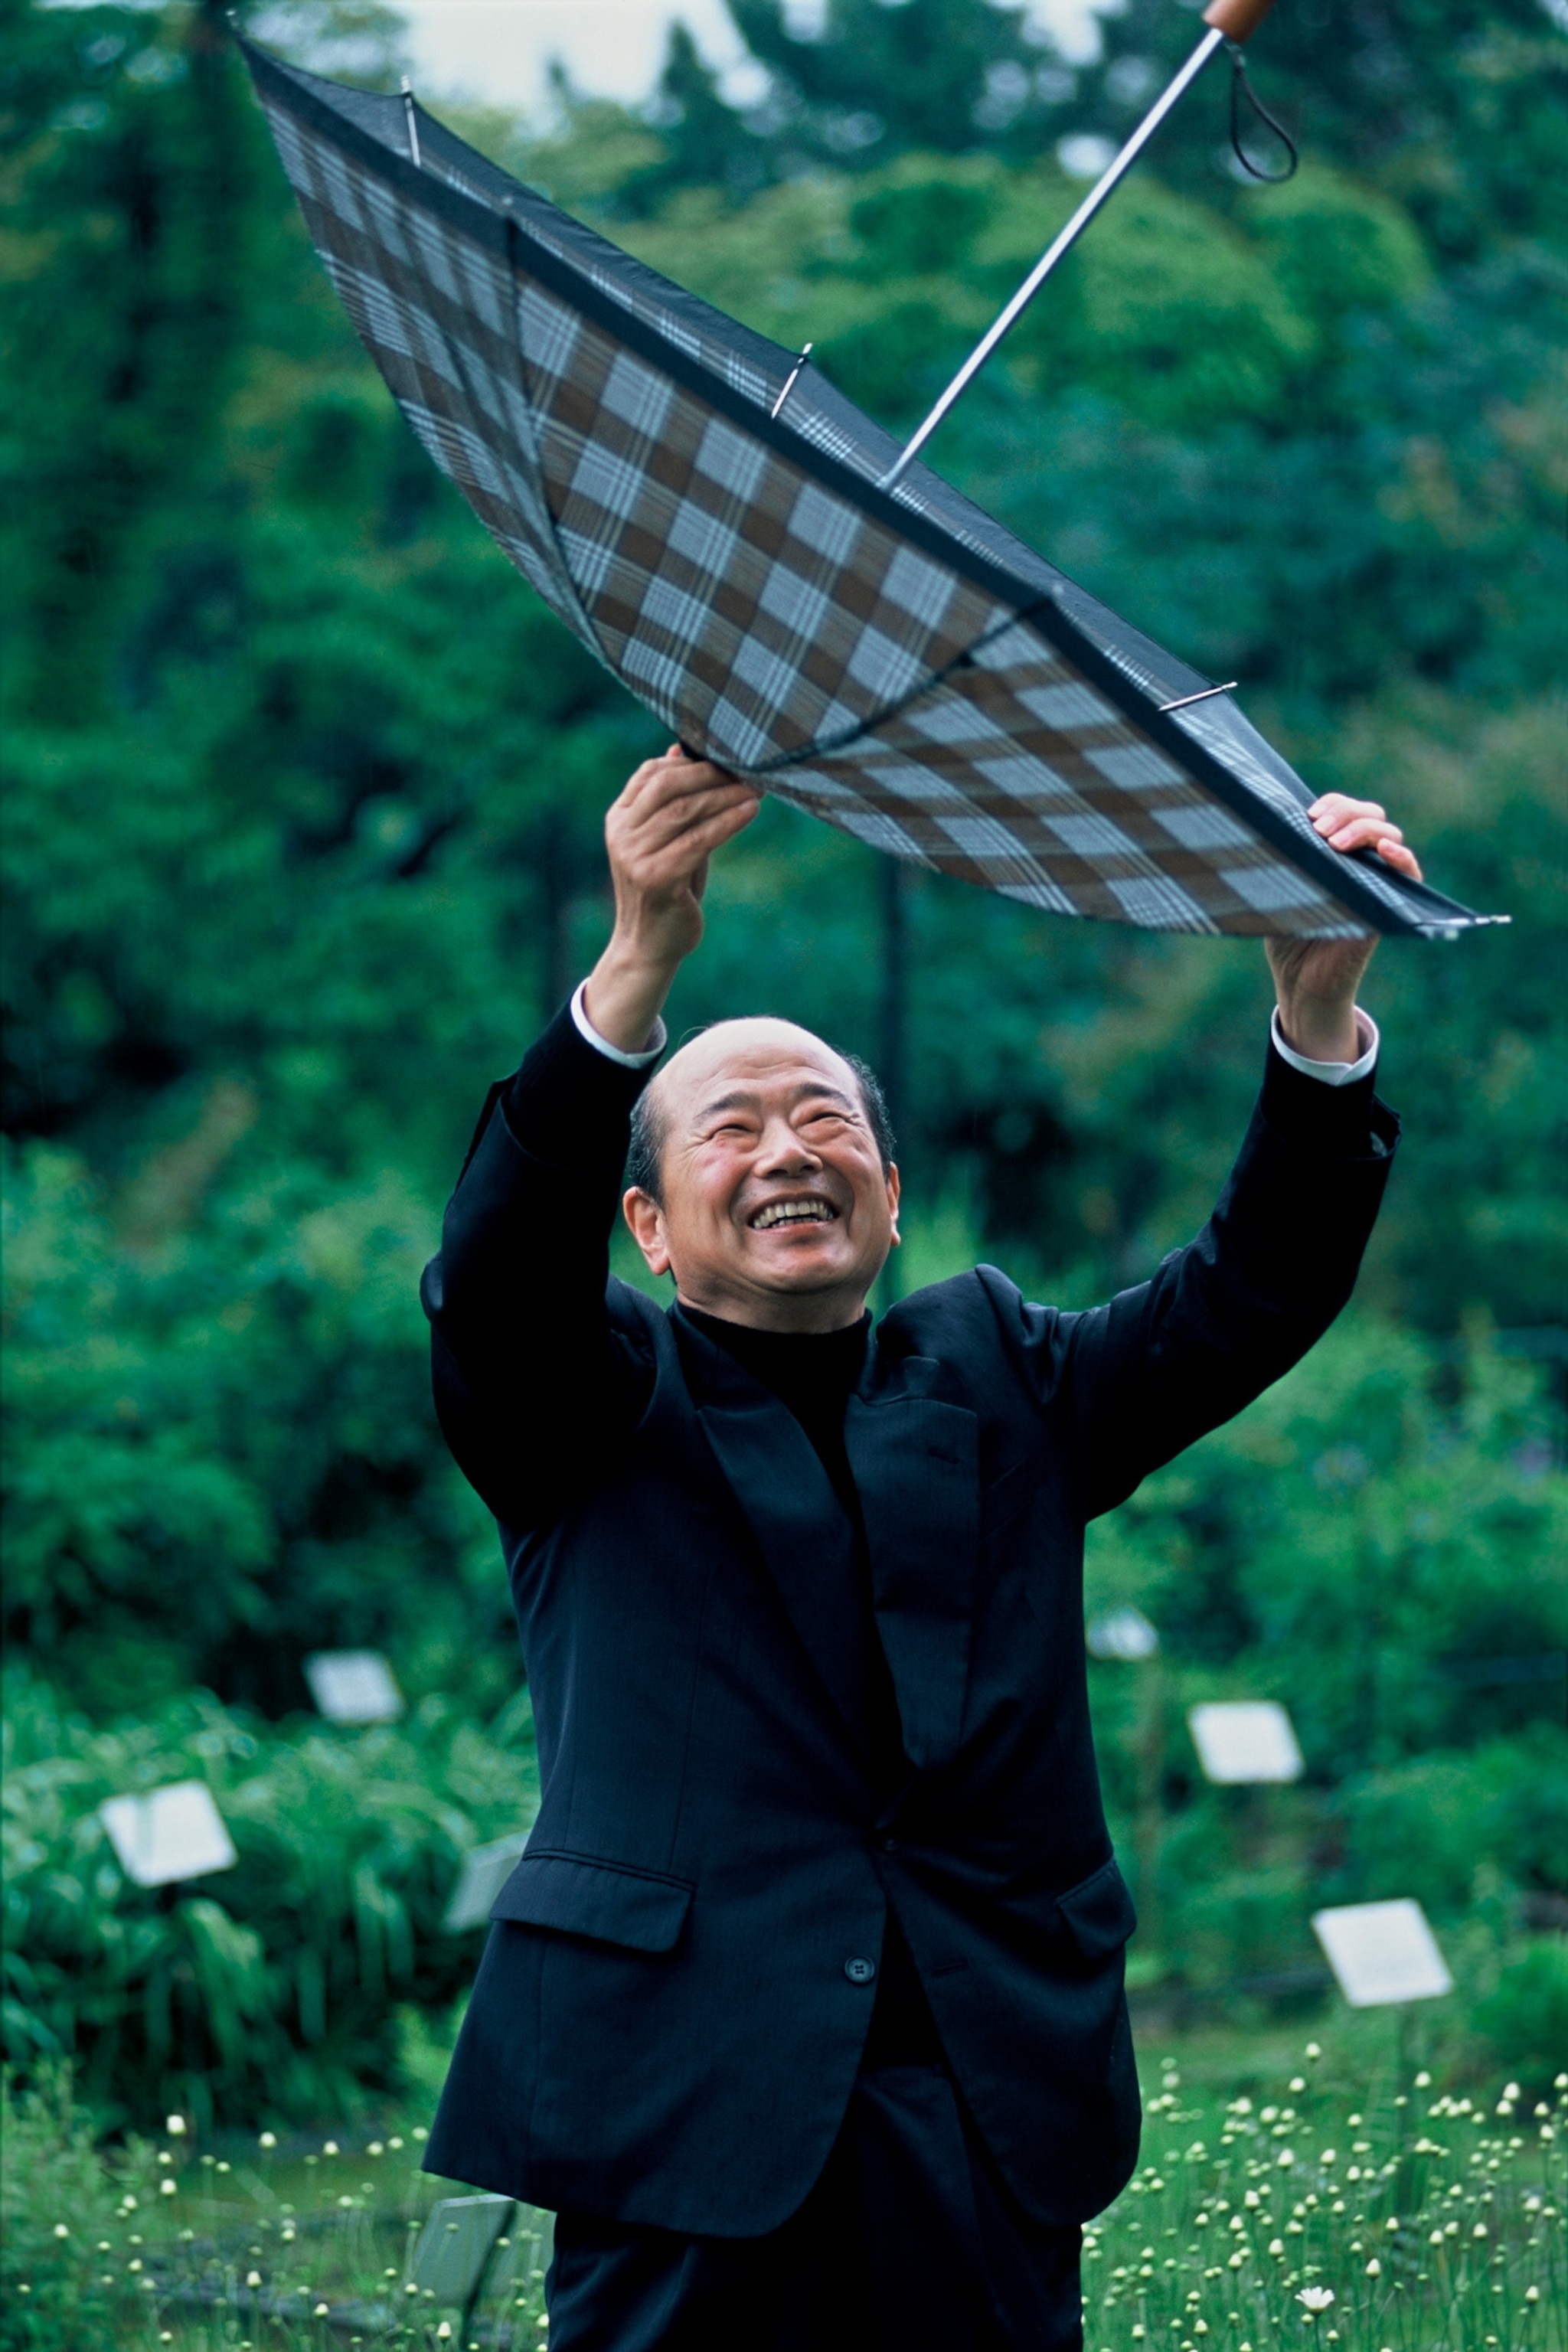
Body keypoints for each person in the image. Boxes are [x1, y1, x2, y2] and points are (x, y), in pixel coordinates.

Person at [420, 750, 1423, 2351]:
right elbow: (489, 1285)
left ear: (889, 1193)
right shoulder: (583, 1404)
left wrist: (1312, 1019)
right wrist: (632, 972)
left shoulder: (1002, 1380)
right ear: (651, 1226)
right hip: (682, 2104)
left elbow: (1249, 1295)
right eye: (729, 1129)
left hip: (980, 2090)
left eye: (824, 1120)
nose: (786, 1151)